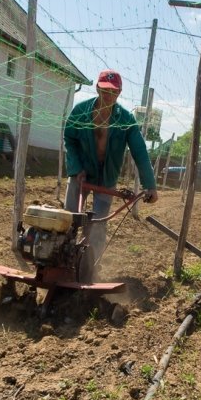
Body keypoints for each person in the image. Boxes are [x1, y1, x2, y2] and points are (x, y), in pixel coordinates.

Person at [64, 69, 158, 265]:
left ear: (120, 92)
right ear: (97, 88)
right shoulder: (80, 112)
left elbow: (140, 152)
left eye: (113, 92)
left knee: (98, 225)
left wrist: (150, 186)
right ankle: (62, 258)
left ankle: (90, 267)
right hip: (80, 172)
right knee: (69, 219)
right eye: (105, 91)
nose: (109, 96)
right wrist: (75, 168)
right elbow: (70, 139)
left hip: (107, 178)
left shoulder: (126, 120)